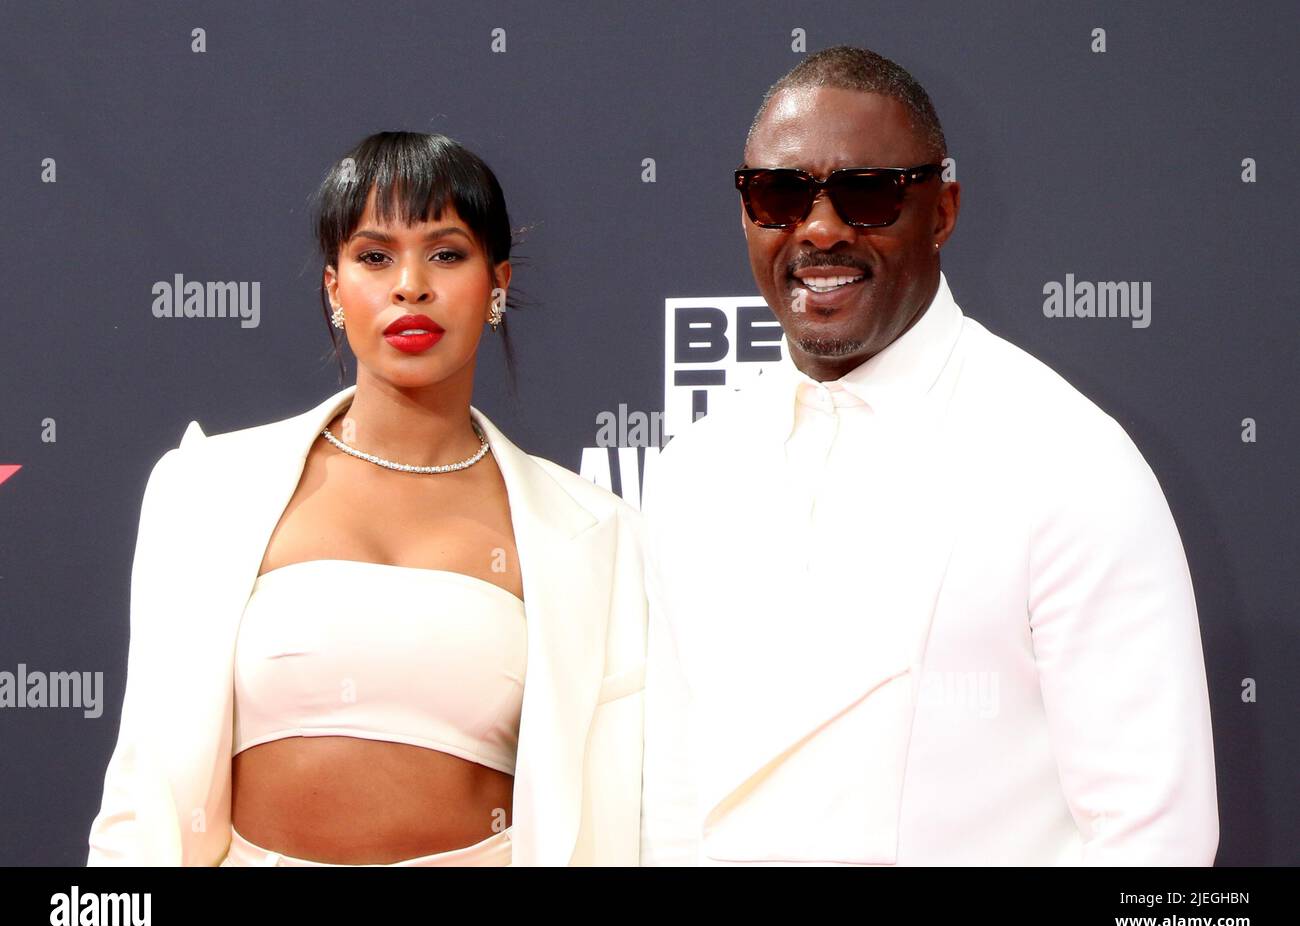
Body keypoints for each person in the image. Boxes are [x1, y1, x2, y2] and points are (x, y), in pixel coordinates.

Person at [639, 47, 1218, 866]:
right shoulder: (689, 472)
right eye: (779, 194)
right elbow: (671, 797)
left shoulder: (1067, 460)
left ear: (942, 210)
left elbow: (1155, 836)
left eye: (868, 195)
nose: (821, 228)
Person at [86, 131, 646, 867]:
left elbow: (617, 809)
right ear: (334, 288)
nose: (410, 284)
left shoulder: (594, 531)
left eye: (446, 253)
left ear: (497, 285)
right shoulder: (204, 491)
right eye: (375, 256)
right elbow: (141, 792)